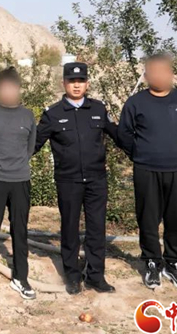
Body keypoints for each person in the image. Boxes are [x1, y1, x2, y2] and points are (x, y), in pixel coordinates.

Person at [34, 62, 120, 295]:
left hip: (96, 180)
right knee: (70, 228)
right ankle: (72, 276)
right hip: (68, 180)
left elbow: (119, 136)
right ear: (64, 83)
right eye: (72, 81)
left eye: (81, 81)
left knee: (96, 229)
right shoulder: (53, 114)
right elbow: (33, 144)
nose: (76, 85)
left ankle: (96, 276)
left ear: (87, 83)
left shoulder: (98, 109)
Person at [118, 53, 177, 290]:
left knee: (176, 217)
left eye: (163, 71)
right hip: (146, 169)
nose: (159, 76)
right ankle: (152, 261)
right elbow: (124, 133)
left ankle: (173, 263)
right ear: (146, 75)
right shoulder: (136, 103)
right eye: (153, 71)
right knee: (148, 217)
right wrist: (140, 153)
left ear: (171, 73)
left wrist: (175, 147)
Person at [0, 66, 37, 300]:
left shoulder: (28, 115)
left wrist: (16, 165)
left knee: (20, 231)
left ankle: (20, 278)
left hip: (20, 180)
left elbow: (30, 148)